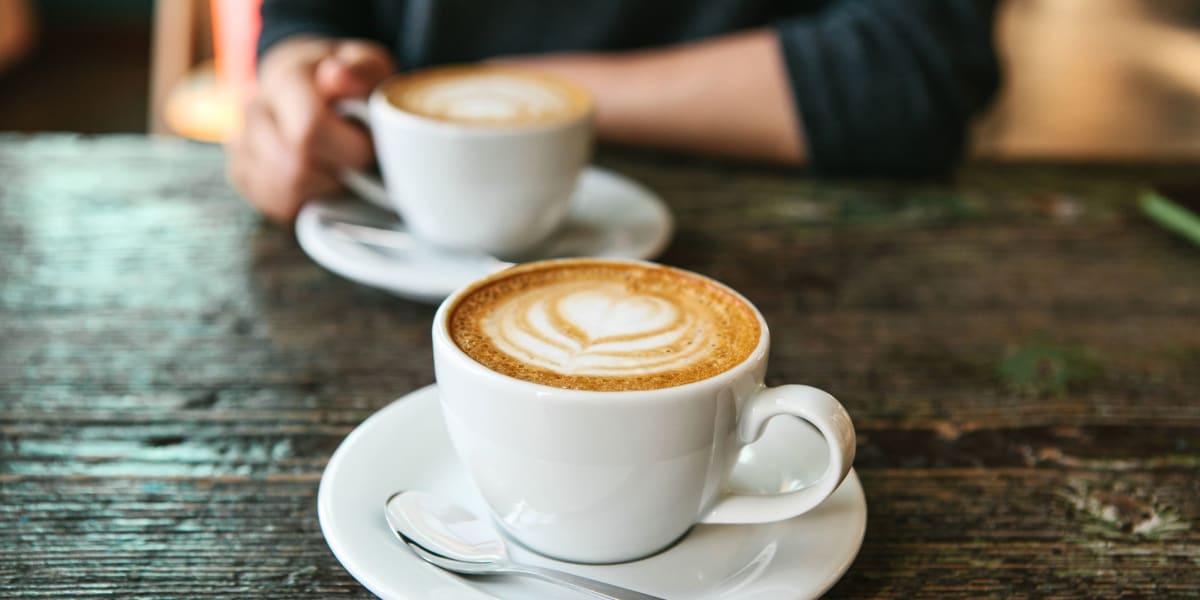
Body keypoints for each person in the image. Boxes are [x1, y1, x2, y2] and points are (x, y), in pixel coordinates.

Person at [228, 0, 1001, 223]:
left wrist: (503, 95)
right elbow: (311, 11)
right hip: (379, 258)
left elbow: (914, 73)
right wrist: (301, 72)